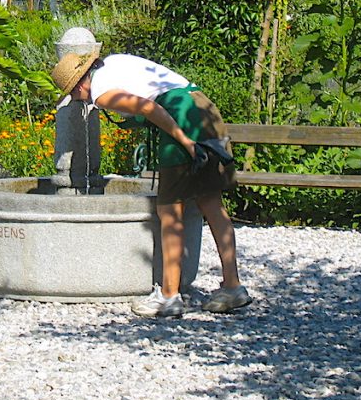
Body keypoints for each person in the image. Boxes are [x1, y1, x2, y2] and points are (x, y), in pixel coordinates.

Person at [51, 51, 251, 318]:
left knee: (169, 210)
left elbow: (150, 108)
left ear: (79, 85)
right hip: (201, 107)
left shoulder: (100, 92)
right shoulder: (113, 62)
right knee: (210, 201)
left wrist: (185, 141)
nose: (78, 100)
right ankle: (233, 286)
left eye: (73, 94)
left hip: (179, 118)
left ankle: (168, 296)